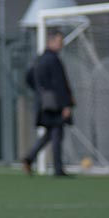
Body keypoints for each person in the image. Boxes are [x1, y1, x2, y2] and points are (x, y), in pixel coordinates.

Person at [21, 30, 74, 176]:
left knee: (50, 133)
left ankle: (29, 158)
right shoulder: (53, 60)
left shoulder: (39, 59)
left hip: (43, 103)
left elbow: (28, 77)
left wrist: (40, 92)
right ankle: (58, 169)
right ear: (50, 42)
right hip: (55, 104)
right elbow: (60, 84)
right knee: (57, 133)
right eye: (59, 41)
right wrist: (66, 105)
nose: (61, 45)